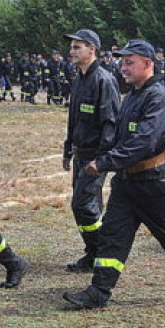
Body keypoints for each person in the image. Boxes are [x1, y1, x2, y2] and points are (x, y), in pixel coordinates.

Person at [62, 39, 165, 310]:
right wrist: (99, 155)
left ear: (148, 64)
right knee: (112, 235)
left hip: (152, 181)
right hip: (126, 181)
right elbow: (120, 137)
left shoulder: (157, 97)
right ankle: (99, 291)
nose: (123, 67)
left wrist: (104, 162)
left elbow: (144, 142)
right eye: (123, 62)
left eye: (129, 62)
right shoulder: (133, 95)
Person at [61, 28, 120, 272]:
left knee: (83, 205)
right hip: (80, 153)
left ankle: (101, 252)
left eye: (77, 47)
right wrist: (67, 149)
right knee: (86, 206)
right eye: (72, 47)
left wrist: (102, 159)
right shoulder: (79, 78)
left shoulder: (103, 80)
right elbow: (73, 118)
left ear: (92, 50)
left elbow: (111, 123)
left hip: (95, 157)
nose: (71, 51)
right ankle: (93, 252)